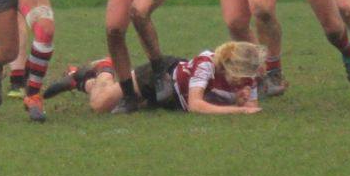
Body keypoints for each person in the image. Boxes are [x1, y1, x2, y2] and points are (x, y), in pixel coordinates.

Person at [42, 42, 265, 115]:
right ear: (230, 67)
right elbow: (196, 104)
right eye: (242, 77)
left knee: (112, 105)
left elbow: (253, 106)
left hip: (171, 101)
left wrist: (241, 100)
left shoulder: (246, 75)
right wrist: (239, 110)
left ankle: (79, 80)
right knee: (100, 105)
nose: (245, 82)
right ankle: (105, 68)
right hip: (158, 77)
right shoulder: (206, 63)